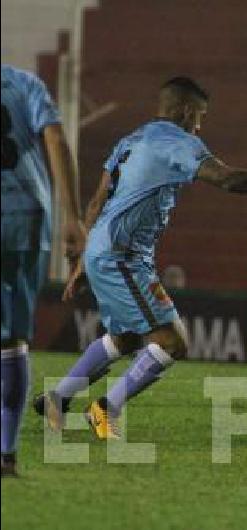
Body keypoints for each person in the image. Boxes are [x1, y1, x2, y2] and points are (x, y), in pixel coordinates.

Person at [35, 76, 247, 440]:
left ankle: (57, 399)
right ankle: (106, 409)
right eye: (199, 116)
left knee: (124, 337)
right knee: (172, 341)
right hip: (121, 255)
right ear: (186, 112)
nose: (199, 125)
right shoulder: (177, 142)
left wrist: (83, 258)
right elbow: (228, 179)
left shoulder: (132, 139)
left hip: (105, 249)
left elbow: (97, 200)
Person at [1, 64, 85, 476]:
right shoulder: (24, 83)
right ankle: (6, 453)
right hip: (28, 215)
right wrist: (72, 217)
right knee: (12, 339)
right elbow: (56, 139)